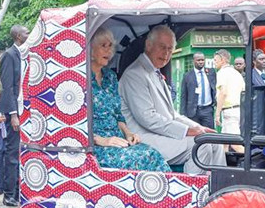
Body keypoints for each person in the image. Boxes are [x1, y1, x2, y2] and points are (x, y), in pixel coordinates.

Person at [119, 25, 226, 174]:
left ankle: (218, 188)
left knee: (215, 141)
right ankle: (193, 193)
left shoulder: (154, 71)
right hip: (143, 137)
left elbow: (172, 114)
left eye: (170, 49)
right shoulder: (135, 74)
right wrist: (188, 131)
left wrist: (199, 129)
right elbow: (147, 118)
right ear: (149, 46)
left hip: (161, 132)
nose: (166, 54)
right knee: (201, 146)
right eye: (162, 47)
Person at [90, 29, 170, 172]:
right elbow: (73, 125)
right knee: (139, 159)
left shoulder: (110, 77)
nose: (109, 51)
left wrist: (128, 133)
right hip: (94, 147)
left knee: (152, 154)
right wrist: (102, 141)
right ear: (90, 49)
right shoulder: (78, 80)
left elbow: (118, 115)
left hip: (118, 140)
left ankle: (165, 193)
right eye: (103, 46)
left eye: (110, 46)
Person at [0, 24, 28, 207]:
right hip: (14, 111)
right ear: (18, 36)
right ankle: (9, 193)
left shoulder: (25, 54)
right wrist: (13, 114)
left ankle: (20, 192)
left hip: (26, 109)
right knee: (12, 153)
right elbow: (7, 87)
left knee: (23, 153)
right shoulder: (9, 55)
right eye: (26, 32)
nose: (29, 35)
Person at [214, 49, 245, 153]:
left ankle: (253, 164)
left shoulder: (222, 73)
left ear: (222, 60)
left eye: (215, 60)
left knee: (235, 144)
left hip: (229, 111)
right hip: (238, 109)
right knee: (224, 144)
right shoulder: (236, 73)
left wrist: (217, 114)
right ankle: (224, 167)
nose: (214, 63)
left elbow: (223, 93)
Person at [180, 52, 216, 129]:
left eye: (202, 60)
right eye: (198, 60)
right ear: (194, 61)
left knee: (209, 134)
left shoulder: (211, 72)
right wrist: (182, 114)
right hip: (193, 111)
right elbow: (183, 96)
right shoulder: (187, 75)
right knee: (194, 135)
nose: (201, 62)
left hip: (207, 110)